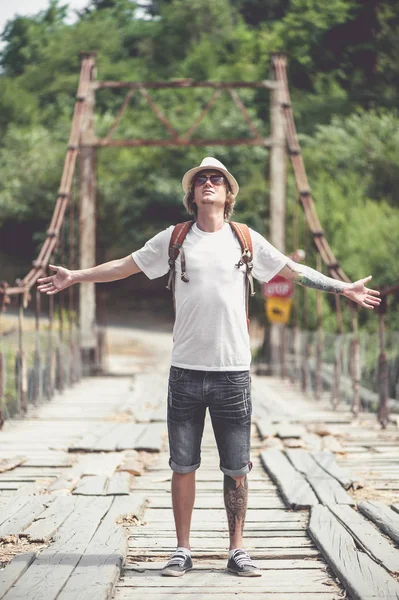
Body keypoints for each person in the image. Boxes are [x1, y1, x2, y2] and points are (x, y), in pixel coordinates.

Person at [37, 157, 381, 578]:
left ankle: (237, 549)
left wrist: (342, 287)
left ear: (228, 193)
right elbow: (124, 266)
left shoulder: (246, 239)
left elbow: (293, 271)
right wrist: (75, 276)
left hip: (233, 372)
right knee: (183, 465)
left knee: (237, 468)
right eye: (201, 179)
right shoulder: (175, 238)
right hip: (185, 371)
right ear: (192, 194)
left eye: (216, 178)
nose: (209, 182)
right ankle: (182, 549)